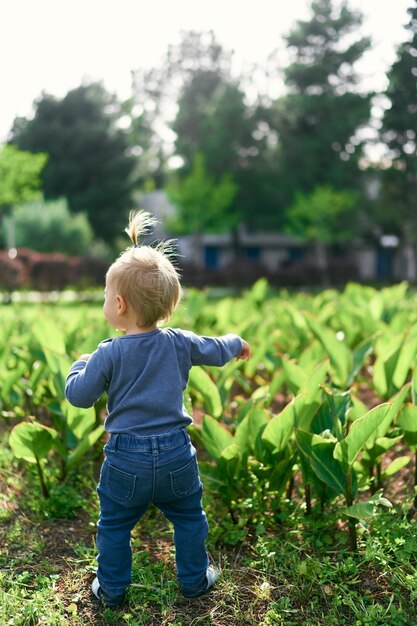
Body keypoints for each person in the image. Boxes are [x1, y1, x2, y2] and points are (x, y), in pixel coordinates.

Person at [65, 210, 251, 608]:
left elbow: (80, 397)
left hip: (126, 458)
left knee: (115, 525)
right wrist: (237, 342)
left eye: (104, 296)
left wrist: (79, 366)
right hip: (174, 455)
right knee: (188, 518)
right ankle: (194, 579)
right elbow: (216, 350)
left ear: (117, 303)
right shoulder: (179, 341)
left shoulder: (107, 353)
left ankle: (112, 590)